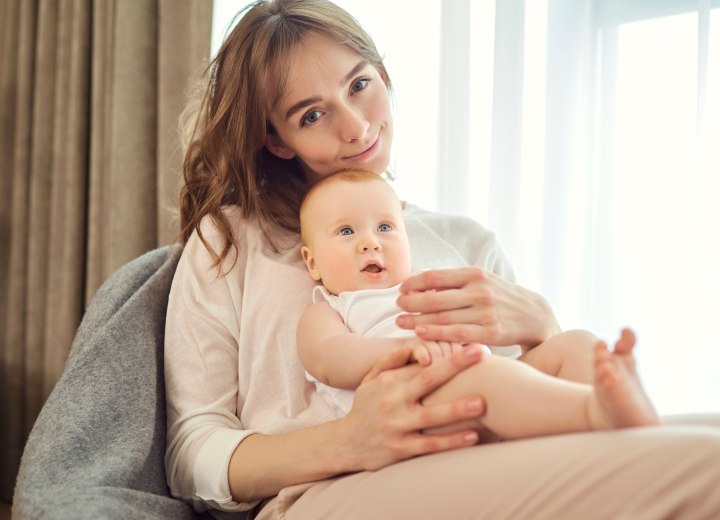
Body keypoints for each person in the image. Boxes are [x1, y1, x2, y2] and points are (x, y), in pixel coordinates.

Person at [164, 0, 720, 518]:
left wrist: (542, 326)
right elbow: (193, 450)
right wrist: (347, 441)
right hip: (330, 491)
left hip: (485, 450)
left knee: (697, 432)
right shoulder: (232, 240)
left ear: (383, 74)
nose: (356, 126)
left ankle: (604, 414)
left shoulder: (468, 241)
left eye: (360, 85)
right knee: (705, 467)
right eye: (311, 115)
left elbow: (512, 393)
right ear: (277, 139)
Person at [297, 169, 659, 438]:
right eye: (346, 232)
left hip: (478, 375)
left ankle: (614, 405)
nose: (370, 243)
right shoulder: (330, 310)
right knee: (489, 376)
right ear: (312, 262)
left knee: (573, 343)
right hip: (413, 404)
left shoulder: (426, 287)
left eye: (386, 228)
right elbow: (331, 359)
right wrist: (407, 347)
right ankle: (594, 412)